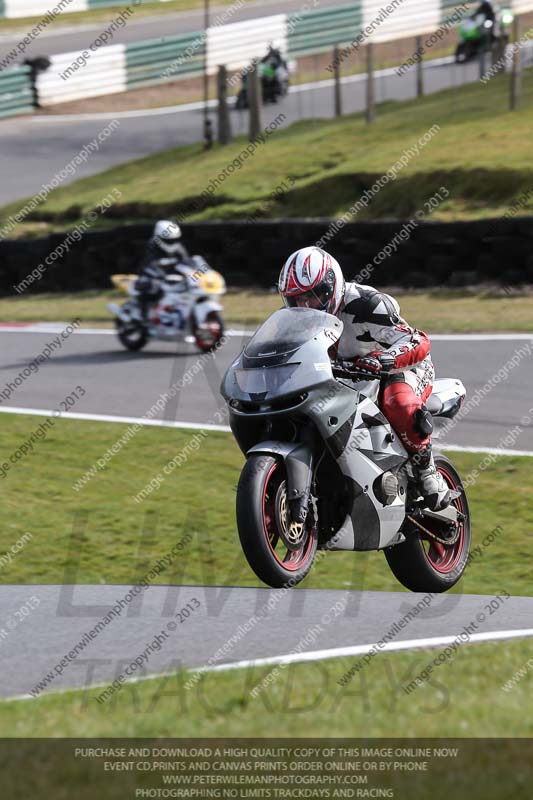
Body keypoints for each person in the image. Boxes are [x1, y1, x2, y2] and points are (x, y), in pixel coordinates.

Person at [278, 246, 451, 511]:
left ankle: (428, 473)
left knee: (398, 402)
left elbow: (418, 341)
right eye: (297, 300)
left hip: (399, 367)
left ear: (332, 285)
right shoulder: (294, 321)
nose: (306, 306)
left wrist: (385, 360)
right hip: (346, 379)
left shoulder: (366, 304)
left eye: (314, 296)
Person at [135, 220, 192, 322]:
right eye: (169, 240)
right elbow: (150, 263)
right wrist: (159, 272)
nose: (172, 242)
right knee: (149, 286)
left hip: (172, 276)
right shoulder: (152, 245)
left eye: (174, 239)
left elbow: (186, 261)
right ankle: (143, 316)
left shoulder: (178, 247)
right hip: (151, 274)